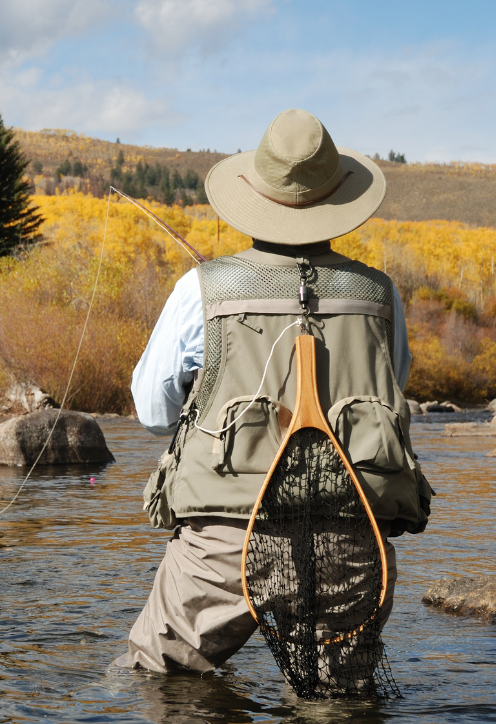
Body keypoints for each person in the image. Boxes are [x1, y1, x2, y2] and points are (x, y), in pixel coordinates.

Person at [114, 109, 432, 674]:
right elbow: (392, 389)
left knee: (161, 684)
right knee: (340, 717)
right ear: (339, 202)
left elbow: (152, 410)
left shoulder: (201, 289)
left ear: (255, 197)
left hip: (223, 540)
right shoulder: (379, 294)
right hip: (351, 535)